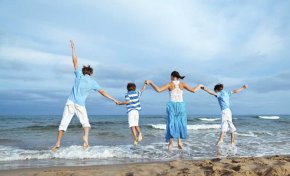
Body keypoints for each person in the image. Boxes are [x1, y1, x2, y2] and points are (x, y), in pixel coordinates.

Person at [51, 40, 119, 152]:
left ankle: (57, 143)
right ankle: (85, 138)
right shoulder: (93, 82)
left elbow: (75, 61)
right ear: (91, 73)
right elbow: (103, 92)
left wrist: (73, 49)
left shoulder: (79, 75)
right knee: (86, 124)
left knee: (63, 124)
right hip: (80, 105)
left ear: (83, 72)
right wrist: (114, 99)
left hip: (70, 102)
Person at [146, 71, 204, 150]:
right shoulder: (182, 84)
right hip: (181, 106)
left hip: (172, 105)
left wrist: (150, 82)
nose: (170, 78)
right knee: (180, 122)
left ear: (173, 76)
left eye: (170, 76)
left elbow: (158, 90)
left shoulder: (170, 84)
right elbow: (193, 90)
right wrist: (200, 85)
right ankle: (179, 141)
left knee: (171, 123)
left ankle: (171, 142)